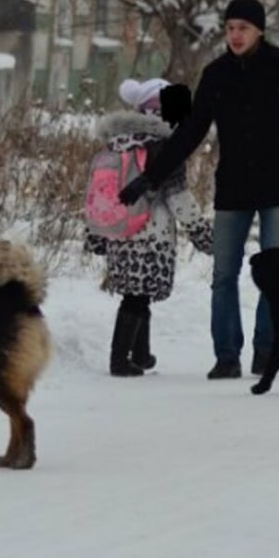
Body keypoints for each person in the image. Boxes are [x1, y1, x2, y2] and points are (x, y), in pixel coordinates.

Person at [119, 0, 279, 380]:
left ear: (259, 30)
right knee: (223, 275)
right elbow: (191, 132)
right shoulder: (217, 74)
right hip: (233, 188)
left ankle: (266, 350)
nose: (235, 35)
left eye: (243, 28)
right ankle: (227, 355)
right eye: (230, 28)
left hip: (278, 187)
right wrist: (151, 177)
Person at [87, 78, 213, 377]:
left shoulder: (116, 143)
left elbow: (97, 192)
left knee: (137, 294)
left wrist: (95, 233)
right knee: (136, 298)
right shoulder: (165, 148)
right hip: (151, 233)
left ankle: (141, 354)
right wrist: (202, 233)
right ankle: (119, 360)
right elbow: (179, 198)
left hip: (119, 231)